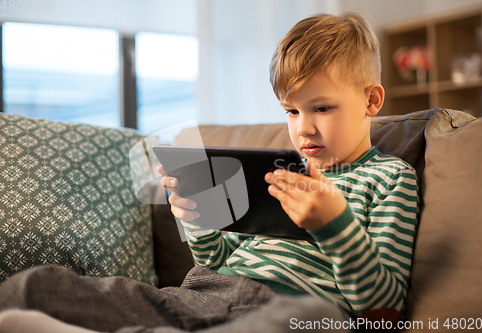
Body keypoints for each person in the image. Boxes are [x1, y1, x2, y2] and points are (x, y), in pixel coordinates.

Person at [0, 12, 419, 333]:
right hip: (200, 296)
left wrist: (334, 225)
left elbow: (383, 313)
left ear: (371, 101)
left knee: (311, 316)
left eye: (321, 108)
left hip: (285, 308)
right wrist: (198, 218)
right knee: (33, 287)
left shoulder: (389, 178)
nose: (302, 127)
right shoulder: (274, 171)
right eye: (291, 110)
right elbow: (217, 263)